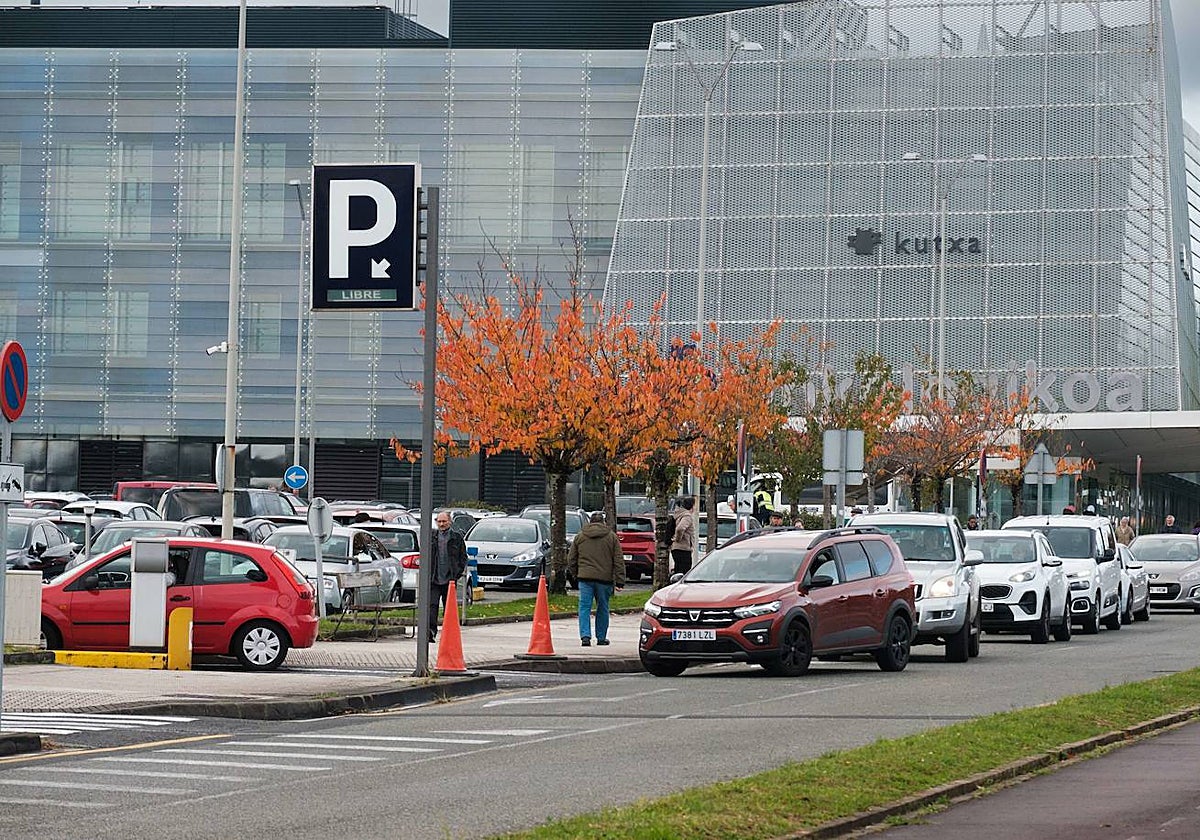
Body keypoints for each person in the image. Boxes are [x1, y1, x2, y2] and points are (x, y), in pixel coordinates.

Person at [567, 511, 625, 646]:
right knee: (603, 607)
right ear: (603, 522)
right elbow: (618, 560)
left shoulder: (580, 536)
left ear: (590, 522)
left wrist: (576, 574)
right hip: (605, 580)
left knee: (584, 607)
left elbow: (571, 559)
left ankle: (585, 636)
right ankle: (601, 637)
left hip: (585, 578)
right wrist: (620, 580)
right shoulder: (611, 537)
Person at [428, 511, 467, 643]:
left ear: (449, 522)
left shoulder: (456, 537)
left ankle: (448, 635)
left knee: (449, 608)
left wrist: (457, 573)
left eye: (444, 521)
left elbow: (463, 557)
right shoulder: (432, 537)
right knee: (432, 606)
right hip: (434, 578)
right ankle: (430, 633)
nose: (442, 524)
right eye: (439, 521)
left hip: (450, 579)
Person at [670, 496, 696, 576]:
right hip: (683, 548)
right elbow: (680, 528)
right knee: (684, 572)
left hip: (676, 548)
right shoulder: (687, 516)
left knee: (678, 570)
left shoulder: (678, 514)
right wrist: (678, 539)